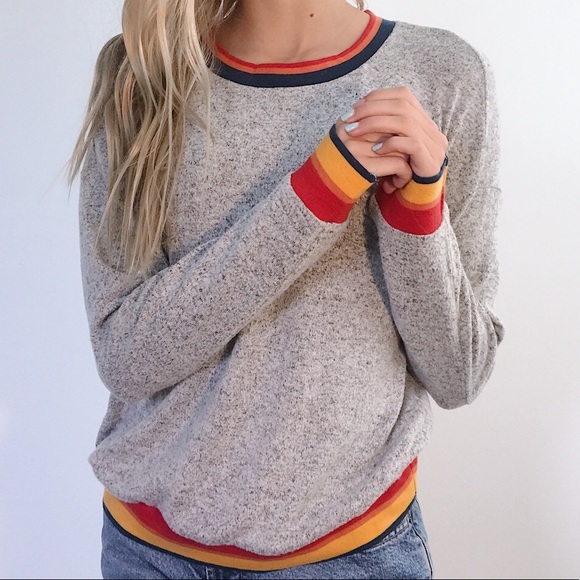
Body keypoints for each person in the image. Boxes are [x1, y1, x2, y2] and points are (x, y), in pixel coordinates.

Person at [69, 0, 504, 578]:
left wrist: (417, 215)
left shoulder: (444, 74)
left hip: (355, 556)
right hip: (151, 556)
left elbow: (459, 374)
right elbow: (123, 357)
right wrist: (318, 193)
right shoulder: (145, 71)